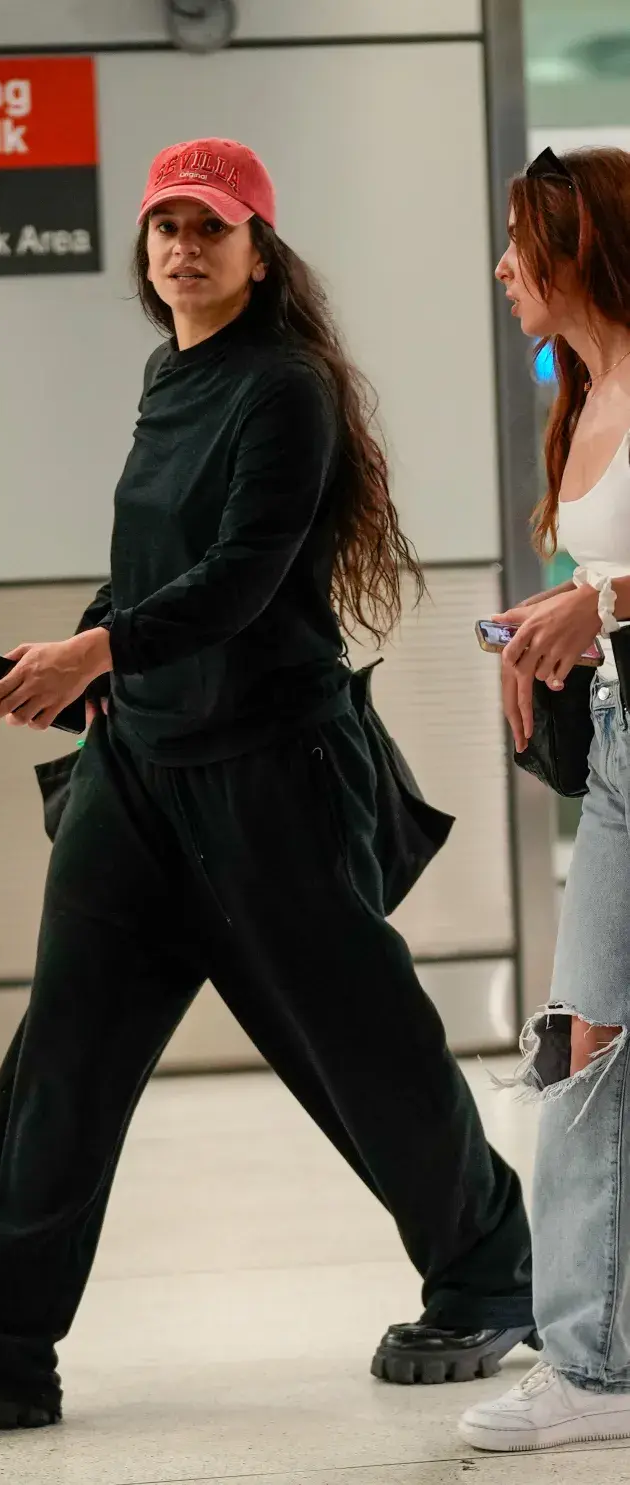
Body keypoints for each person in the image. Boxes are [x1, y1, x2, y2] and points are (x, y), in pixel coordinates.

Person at [0, 138, 534, 1431]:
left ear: (258, 253)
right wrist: (74, 654)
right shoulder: (170, 374)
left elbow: (243, 574)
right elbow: (155, 567)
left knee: (356, 1045)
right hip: (138, 771)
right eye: (165, 226)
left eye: (209, 229)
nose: (182, 247)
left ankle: (492, 1277)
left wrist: (100, 647)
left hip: (270, 774)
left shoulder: (284, 389)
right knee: (65, 1051)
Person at [458, 145, 630, 1454]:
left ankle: (589, 1358)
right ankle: (590, 1358)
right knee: (585, 1035)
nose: (503, 268)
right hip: (622, 736)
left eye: (520, 241)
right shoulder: (575, 391)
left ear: (580, 245)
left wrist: (604, 601)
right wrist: (553, 624)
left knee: (593, 1037)